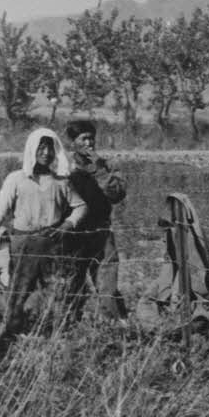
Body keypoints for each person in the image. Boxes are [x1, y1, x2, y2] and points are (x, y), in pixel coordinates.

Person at [0, 128, 89, 337]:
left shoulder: (61, 181)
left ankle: (57, 334)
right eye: (41, 147)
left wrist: (67, 225)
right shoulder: (17, 179)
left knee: (55, 290)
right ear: (31, 150)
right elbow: (1, 208)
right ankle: (11, 332)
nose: (46, 153)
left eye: (50, 148)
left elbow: (81, 206)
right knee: (18, 289)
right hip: (23, 243)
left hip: (52, 242)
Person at [62, 119, 127, 320]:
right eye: (84, 139)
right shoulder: (64, 167)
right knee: (74, 280)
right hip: (76, 232)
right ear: (73, 142)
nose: (89, 143)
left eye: (92, 139)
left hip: (101, 231)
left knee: (107, 280)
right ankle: (69, 322)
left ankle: (114, 325)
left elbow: (116, 195)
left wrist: (99, 170)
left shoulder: (105, 165)